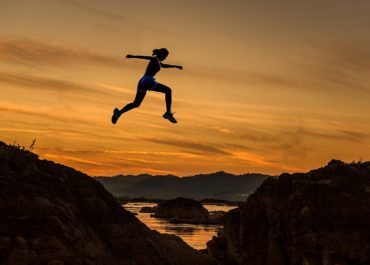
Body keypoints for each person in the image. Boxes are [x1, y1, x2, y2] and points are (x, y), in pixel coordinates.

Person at [111, 48, 182, 124]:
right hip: (148, 80)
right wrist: (133, 56)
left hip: (142, 81)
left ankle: (119, 113)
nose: (165, 58)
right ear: (161, 54)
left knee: (136, 103)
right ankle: (168, 113)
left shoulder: (158, 61)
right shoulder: (155, 58)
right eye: (165, 56)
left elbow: (164, 66)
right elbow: (145, 57)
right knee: (168, 90)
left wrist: (176, 66)